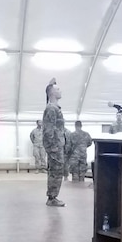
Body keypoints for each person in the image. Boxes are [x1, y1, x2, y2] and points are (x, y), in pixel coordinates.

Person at [42, 79, 67, 207]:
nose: (60, 90)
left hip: (58, 145)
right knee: (56, 172)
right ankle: (52, 197)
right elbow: (48, 130)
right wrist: (52, 148)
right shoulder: (51, 109)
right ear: (51, 93)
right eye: (57, 89)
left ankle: (52, 196)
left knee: (56, 171)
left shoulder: (55, 108)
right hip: (55, 147)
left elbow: (58, 128)